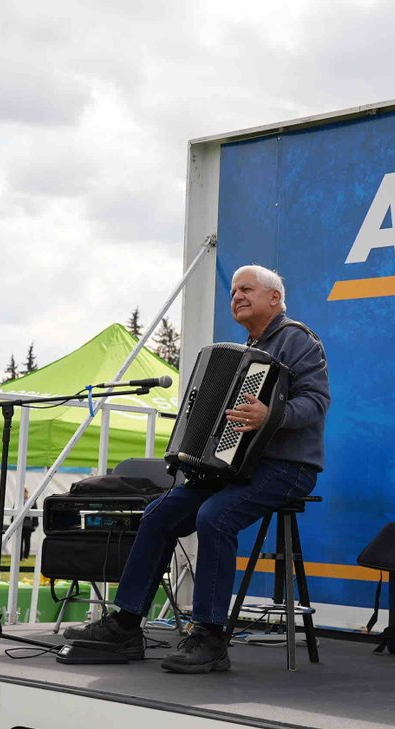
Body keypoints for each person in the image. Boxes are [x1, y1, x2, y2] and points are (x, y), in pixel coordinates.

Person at [66, 264, 330, 673]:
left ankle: (209, 636)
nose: (237, 296)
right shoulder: (245, 349)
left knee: (214, 516)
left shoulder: (299, 341)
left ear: (274, 298)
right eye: (233, 292)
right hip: (235, 469)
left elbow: (316, 402)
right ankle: (126, 624)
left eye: (247, 290)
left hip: (287, 467)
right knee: (158, 514)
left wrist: (271, 414)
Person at [20, 487, 37, 560]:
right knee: (19, 541)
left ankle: (26, 556)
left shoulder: (31, 500)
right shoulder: (19, 500)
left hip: (28, 524)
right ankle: (19, 556)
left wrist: (35, 524)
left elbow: (35, 512)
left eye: (25, 492)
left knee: (27, 541)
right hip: (20, 523)